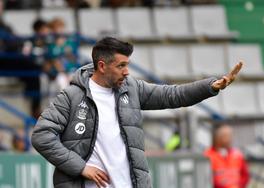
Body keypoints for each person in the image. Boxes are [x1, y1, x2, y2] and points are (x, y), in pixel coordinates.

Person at [31, 37, 243, 188]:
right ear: (102, 66)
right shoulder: (71, 97)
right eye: (121, 65)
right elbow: (42, 136)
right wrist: (81, 167)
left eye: (127, 65)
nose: (127, 71)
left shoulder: (131, 88)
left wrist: (211, 86)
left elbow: (173, 95)